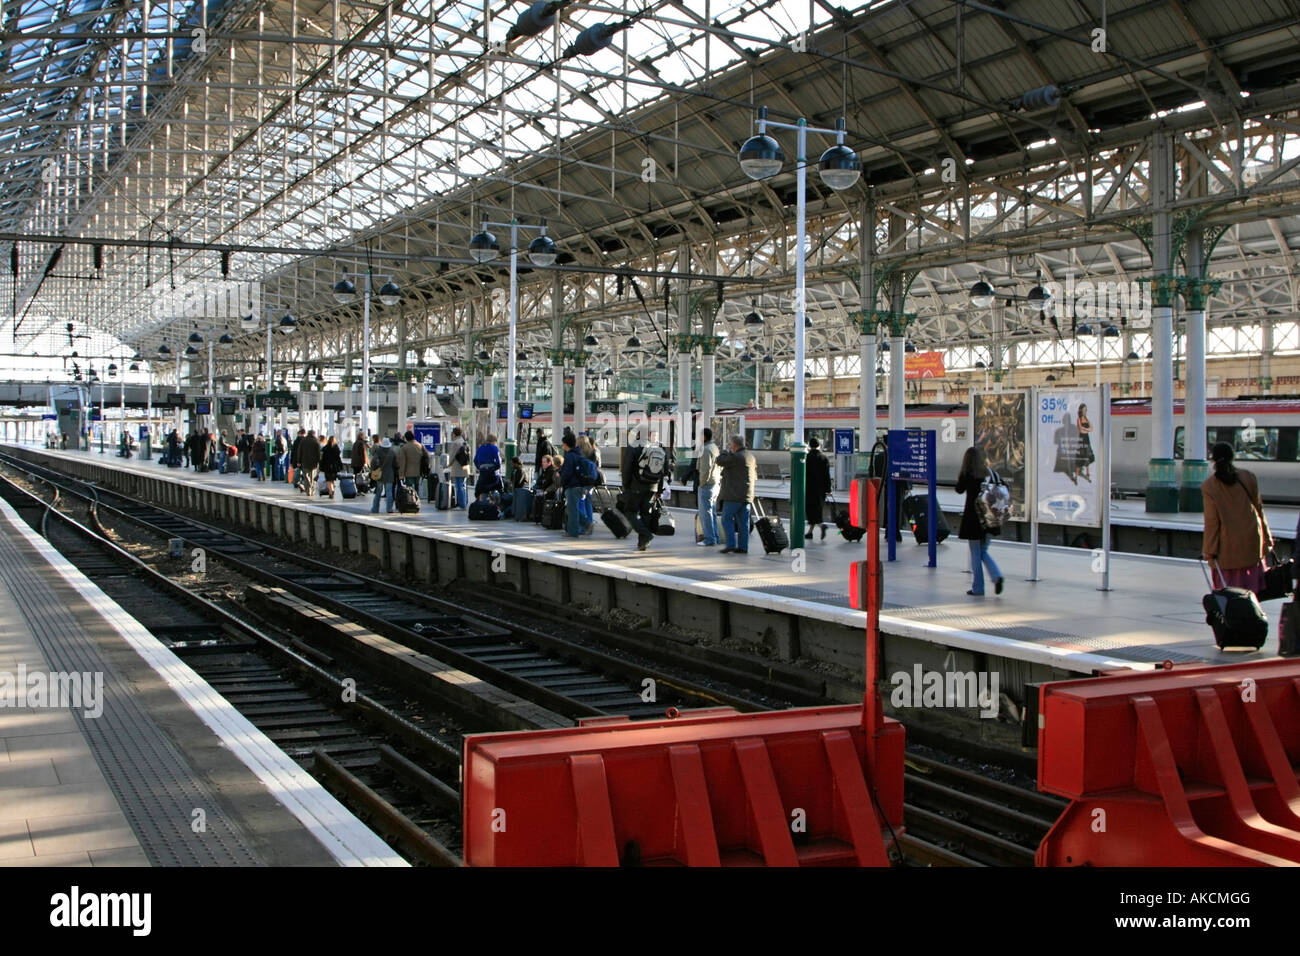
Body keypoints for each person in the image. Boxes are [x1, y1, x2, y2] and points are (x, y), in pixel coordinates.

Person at [1202, 441, 1272, 592]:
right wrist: (1267, 538)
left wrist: (1209, 550)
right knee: (1253, 592)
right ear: (1232, 457)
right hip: (1252, 542)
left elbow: (1212, 522)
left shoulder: (1209, 486)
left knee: (1231, 594)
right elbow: (1259, 510)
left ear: (1213, 459)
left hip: (1227, 548)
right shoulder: (1248, 477)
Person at [956, 446, 1004, 597]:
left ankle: (978, 588)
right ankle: (996, 576)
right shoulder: (990, 473)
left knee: (976, 553)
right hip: (990, 519)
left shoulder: (968, 474)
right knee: (983, 551)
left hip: (973, 520)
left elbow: (959, 489)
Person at [716, 435, 757, 555]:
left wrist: (724, 452)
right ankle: (743, 547)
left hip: (734, 495)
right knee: (743, 523)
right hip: (747, 495)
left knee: (726, 519)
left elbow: (720, 461)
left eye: (731, 444)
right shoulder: (750, 456)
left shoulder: (736, 457)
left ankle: (731, 545)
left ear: (734, 445)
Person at [619, 441, 659, 552]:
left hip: (636, 486)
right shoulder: (656, 446)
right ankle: (643, 543)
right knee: (646, 514)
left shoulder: (633, 447)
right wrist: (658, 489)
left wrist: (626, 485)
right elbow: (663, 469)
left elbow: (626, 467)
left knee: (629, 512)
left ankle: (646, 534)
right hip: (653, 486)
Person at [559, 433, 593, 538]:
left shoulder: (569, 456)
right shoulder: (578, 454)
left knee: (572, 510)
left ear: (565, 444)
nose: (562, 446)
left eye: (563, 444)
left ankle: (573, 532)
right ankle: (587, 524)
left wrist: (563, 482)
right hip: (580, 485)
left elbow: (567, 473)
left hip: (572, 486)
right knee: (572, 508)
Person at [695, 427, 721, 547]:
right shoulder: (714, 447)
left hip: (707, 485)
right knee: (712, 512)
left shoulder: (705, 450)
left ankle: (709, 539)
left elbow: (705, 470)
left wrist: (701, 483)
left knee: (706, 514)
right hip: (715, 484)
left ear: (704, 437)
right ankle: (715, 537)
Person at [805, 436, 832, 541]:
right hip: (821, 490)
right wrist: (828, 489)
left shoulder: (806, 457)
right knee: (818, 509)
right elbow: (827, 475)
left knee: (810, 510)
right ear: (818, 445)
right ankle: (810, 532)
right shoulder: (823, 458)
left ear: (809, 446)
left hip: (809, 489)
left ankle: (821, 526)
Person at [576, 433, 600, 532]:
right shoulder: (592, 452)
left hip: (582, 481)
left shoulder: (578, 452)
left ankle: (583, 526)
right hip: (591, 481)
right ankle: (589, 523)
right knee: (587, 502)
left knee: (580, 502)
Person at [369, 436, 397, 514]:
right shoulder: (392, 452)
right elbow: (396, 464)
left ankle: (375, 508)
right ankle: (389, 508)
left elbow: (373, 462)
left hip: (380, 474)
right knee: (389, 492)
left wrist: (374, 469)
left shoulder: (378, 451)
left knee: (378, 492)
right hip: (389, 474)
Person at [448, 426, 470, 509]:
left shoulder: (455, 443)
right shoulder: (464, 442)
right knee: (463, 485)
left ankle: (461, 503)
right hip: (465, 466)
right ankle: (464, 502)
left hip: (457, 467)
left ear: (454, 434)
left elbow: (452, 455)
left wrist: (448, 464)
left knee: (459, 485)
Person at [397, 429, 424, 493]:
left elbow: (402, 462)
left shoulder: (404, 448)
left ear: (406, 438)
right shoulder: (420, 446)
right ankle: (417, 500)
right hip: (419, 471)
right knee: (417, 488)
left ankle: (411, 501)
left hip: (408, 472)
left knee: (409, 489)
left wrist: (401, 474)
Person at [1076, 404, 1095, 483]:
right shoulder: (1079, 419)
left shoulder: (1086, 419)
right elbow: (1080, 430)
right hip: (1081, 439)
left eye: (1086, 410)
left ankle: (1087, 474)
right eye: (1084, 410)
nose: (1085, 411)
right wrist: (1087, 429)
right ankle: (1077, 473)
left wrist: (1085, 429)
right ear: (1081, 411)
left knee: (1088, 454)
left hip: (1086, 438)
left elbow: (1092, 428)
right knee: (1081, 454)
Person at [298, 428, 322, 492]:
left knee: (305, 475)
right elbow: (318, 453)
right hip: (313, 463)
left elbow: (300, 451)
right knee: (312, 476)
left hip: (304, 461)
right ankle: (311, 488)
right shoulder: (316, 441)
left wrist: (298, 461)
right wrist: (319, 461)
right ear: (314, 434)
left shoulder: (303, 440)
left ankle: (308, 488)